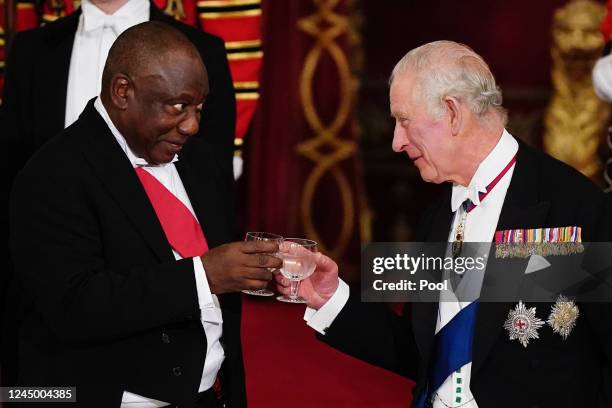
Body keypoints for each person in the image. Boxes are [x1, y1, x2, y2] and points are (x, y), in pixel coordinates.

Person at [279, 41, 612, 407]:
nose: (396, 142)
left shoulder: (576, 209)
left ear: (452, 112)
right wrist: (332, 297)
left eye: (404, 121)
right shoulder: (436, 213)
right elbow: (424, 352)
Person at [9, 21, 279, 408]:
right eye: (177, 106)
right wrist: (204, 275)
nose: (192, 125)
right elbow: (75, 306)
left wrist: (252, 269)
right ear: (123, 92)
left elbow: (218, 294)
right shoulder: (52, 173)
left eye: (199, 108)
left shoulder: (201, 162)